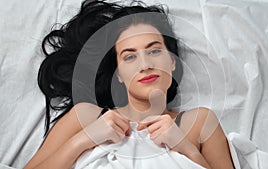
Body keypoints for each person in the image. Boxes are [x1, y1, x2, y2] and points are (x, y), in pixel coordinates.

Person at [24, 0, 234, 169]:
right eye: (129, 57)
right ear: (119, 75)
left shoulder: (200, 122)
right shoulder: (85, 116)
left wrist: (186, 148)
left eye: (154, 51)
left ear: (172, 62)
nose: (145, 65)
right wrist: (82, 140)